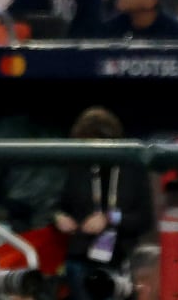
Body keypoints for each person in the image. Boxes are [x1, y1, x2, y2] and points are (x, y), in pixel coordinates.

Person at [54, 108, 154, 300]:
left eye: (93, 143)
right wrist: (59, 217)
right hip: (81, 259)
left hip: (120, 260)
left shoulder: (132, 170)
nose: (89, 151)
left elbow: (145, 219)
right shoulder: (78, 168)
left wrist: (109, 219)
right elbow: (59, 206)